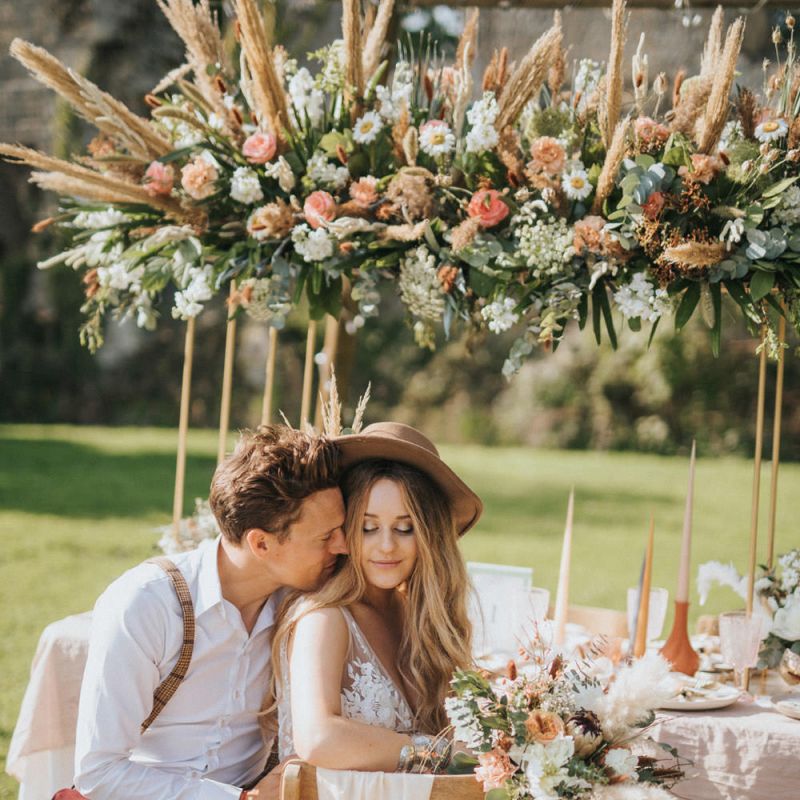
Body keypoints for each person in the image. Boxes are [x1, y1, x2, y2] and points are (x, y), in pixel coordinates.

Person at [73, 426, 348, 800]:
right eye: (326, 537)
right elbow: (98, 773)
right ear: (261, 544)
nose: (343, 546)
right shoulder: (146, 604)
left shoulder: (304, 605)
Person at [270, 421, 482, 774]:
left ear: (429, 537)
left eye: (404, 528)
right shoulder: (325, 618)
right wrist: (437, 753)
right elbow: (318, 738)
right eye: (368, 528)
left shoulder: (418, 617)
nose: (386, 546)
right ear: (346, 529)